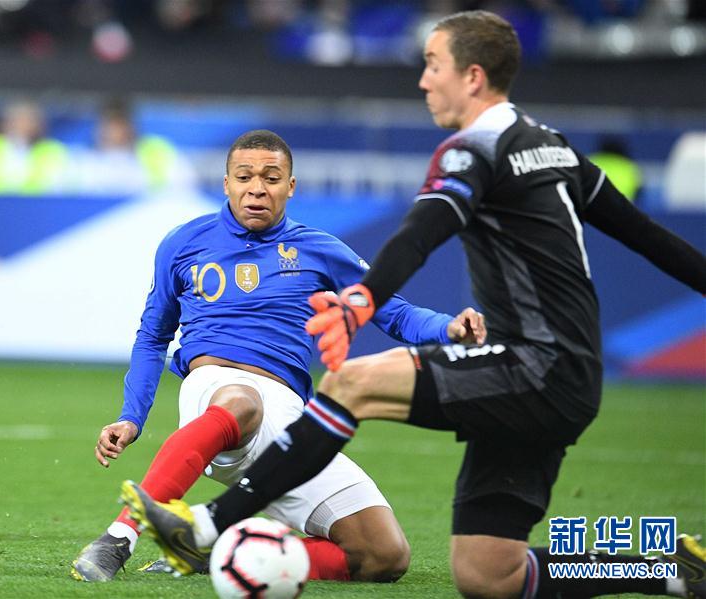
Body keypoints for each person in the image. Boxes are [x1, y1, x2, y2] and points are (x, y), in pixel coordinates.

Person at [120, 11, 706, 599]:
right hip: (565, 376)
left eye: (433, 65)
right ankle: (667, 572)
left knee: (351, 383)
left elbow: (420, 235)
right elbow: (649, 237)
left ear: (472, 76)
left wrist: (360, 301)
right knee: (489, 576)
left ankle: (207, 525)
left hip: (530, 365)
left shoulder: (471, 152)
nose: (423, 80)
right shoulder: (554, 149)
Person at [72, 129, 487, 583]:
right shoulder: (184, 243)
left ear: (290, 186)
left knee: (384, 555)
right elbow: (153, 337)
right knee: (241, 400)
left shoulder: (319, 249)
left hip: (290, 419)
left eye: (271, 178)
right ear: (226, 183)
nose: (257, 188)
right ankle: (118, 538)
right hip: (216, 394)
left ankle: (214, 555)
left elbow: (394, 312)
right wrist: (132, 417)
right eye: (244, 177)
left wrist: (449, 328)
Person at [71, 99, 195, 196]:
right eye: (108, 124)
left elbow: (186, 188)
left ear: (130, 126)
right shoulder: (81, 161)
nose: (112, 131)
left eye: (118, 124)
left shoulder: (159, 154)